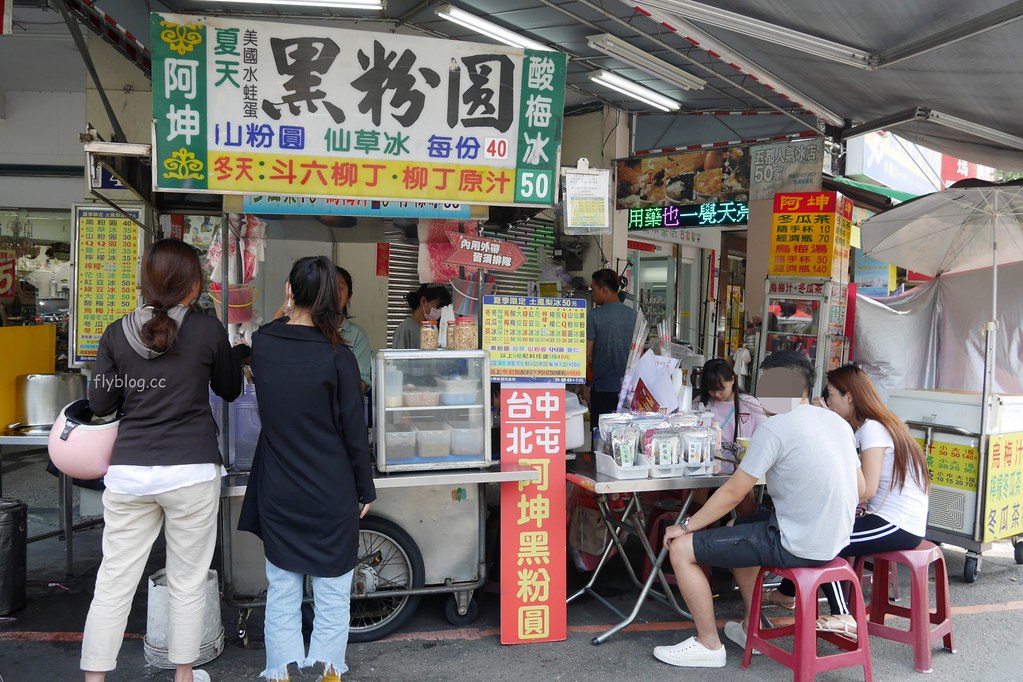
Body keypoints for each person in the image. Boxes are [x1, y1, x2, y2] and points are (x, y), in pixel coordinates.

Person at [81, 239, 243, 682]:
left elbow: (99, 403)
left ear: (146, 280)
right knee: (187, 582)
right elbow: (230, 389)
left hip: (129, 473)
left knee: (114, 583)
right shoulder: (207, 329)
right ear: (191, 284)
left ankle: (95, 678)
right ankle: (184, 676)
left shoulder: (116, 332)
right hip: (190, 471)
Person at [653, 351, 864, 669]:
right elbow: (860, 489)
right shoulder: (838, 423)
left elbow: (734, 492)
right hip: (835, 541)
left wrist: (684, 526)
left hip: (796, 543)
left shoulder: (776, 427)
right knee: (734, 530)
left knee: (682, 549)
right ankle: (755, 627)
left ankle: (708, 645)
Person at [239, 255, 376, 682]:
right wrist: (364, 489)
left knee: (282, 588)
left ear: (288, 290)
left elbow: (277, 329)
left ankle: (281, 673)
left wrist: (287, 305)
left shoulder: (262, 344)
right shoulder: (339, 356)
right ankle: (326, 673)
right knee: (333, 591)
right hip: (330, 489)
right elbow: (355, 433)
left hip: (279, 485)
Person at [766, 363, 930, 637]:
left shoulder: (873, 429)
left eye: (830, 395)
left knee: (826, 540)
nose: (827, 401)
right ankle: (786, 593)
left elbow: (866, 489)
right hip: (889, 517)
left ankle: (844, 616)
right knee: (821, 530)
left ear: (849, 397)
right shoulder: (867, 427)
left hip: (896, 522)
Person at [585, 268, 639, 423]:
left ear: (604, 290)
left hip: (602, 387)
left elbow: (586, 354)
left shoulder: (594, 315)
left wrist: (583, 385)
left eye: (593, 289)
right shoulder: (634, 315)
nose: (592, 293)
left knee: (601, 435)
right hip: (629, 389)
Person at [392, 283, 452, 349]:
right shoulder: (405, 329)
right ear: (423, 301)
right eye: (438, 307)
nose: (440, 311)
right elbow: (398, 357)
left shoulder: (434, 329)